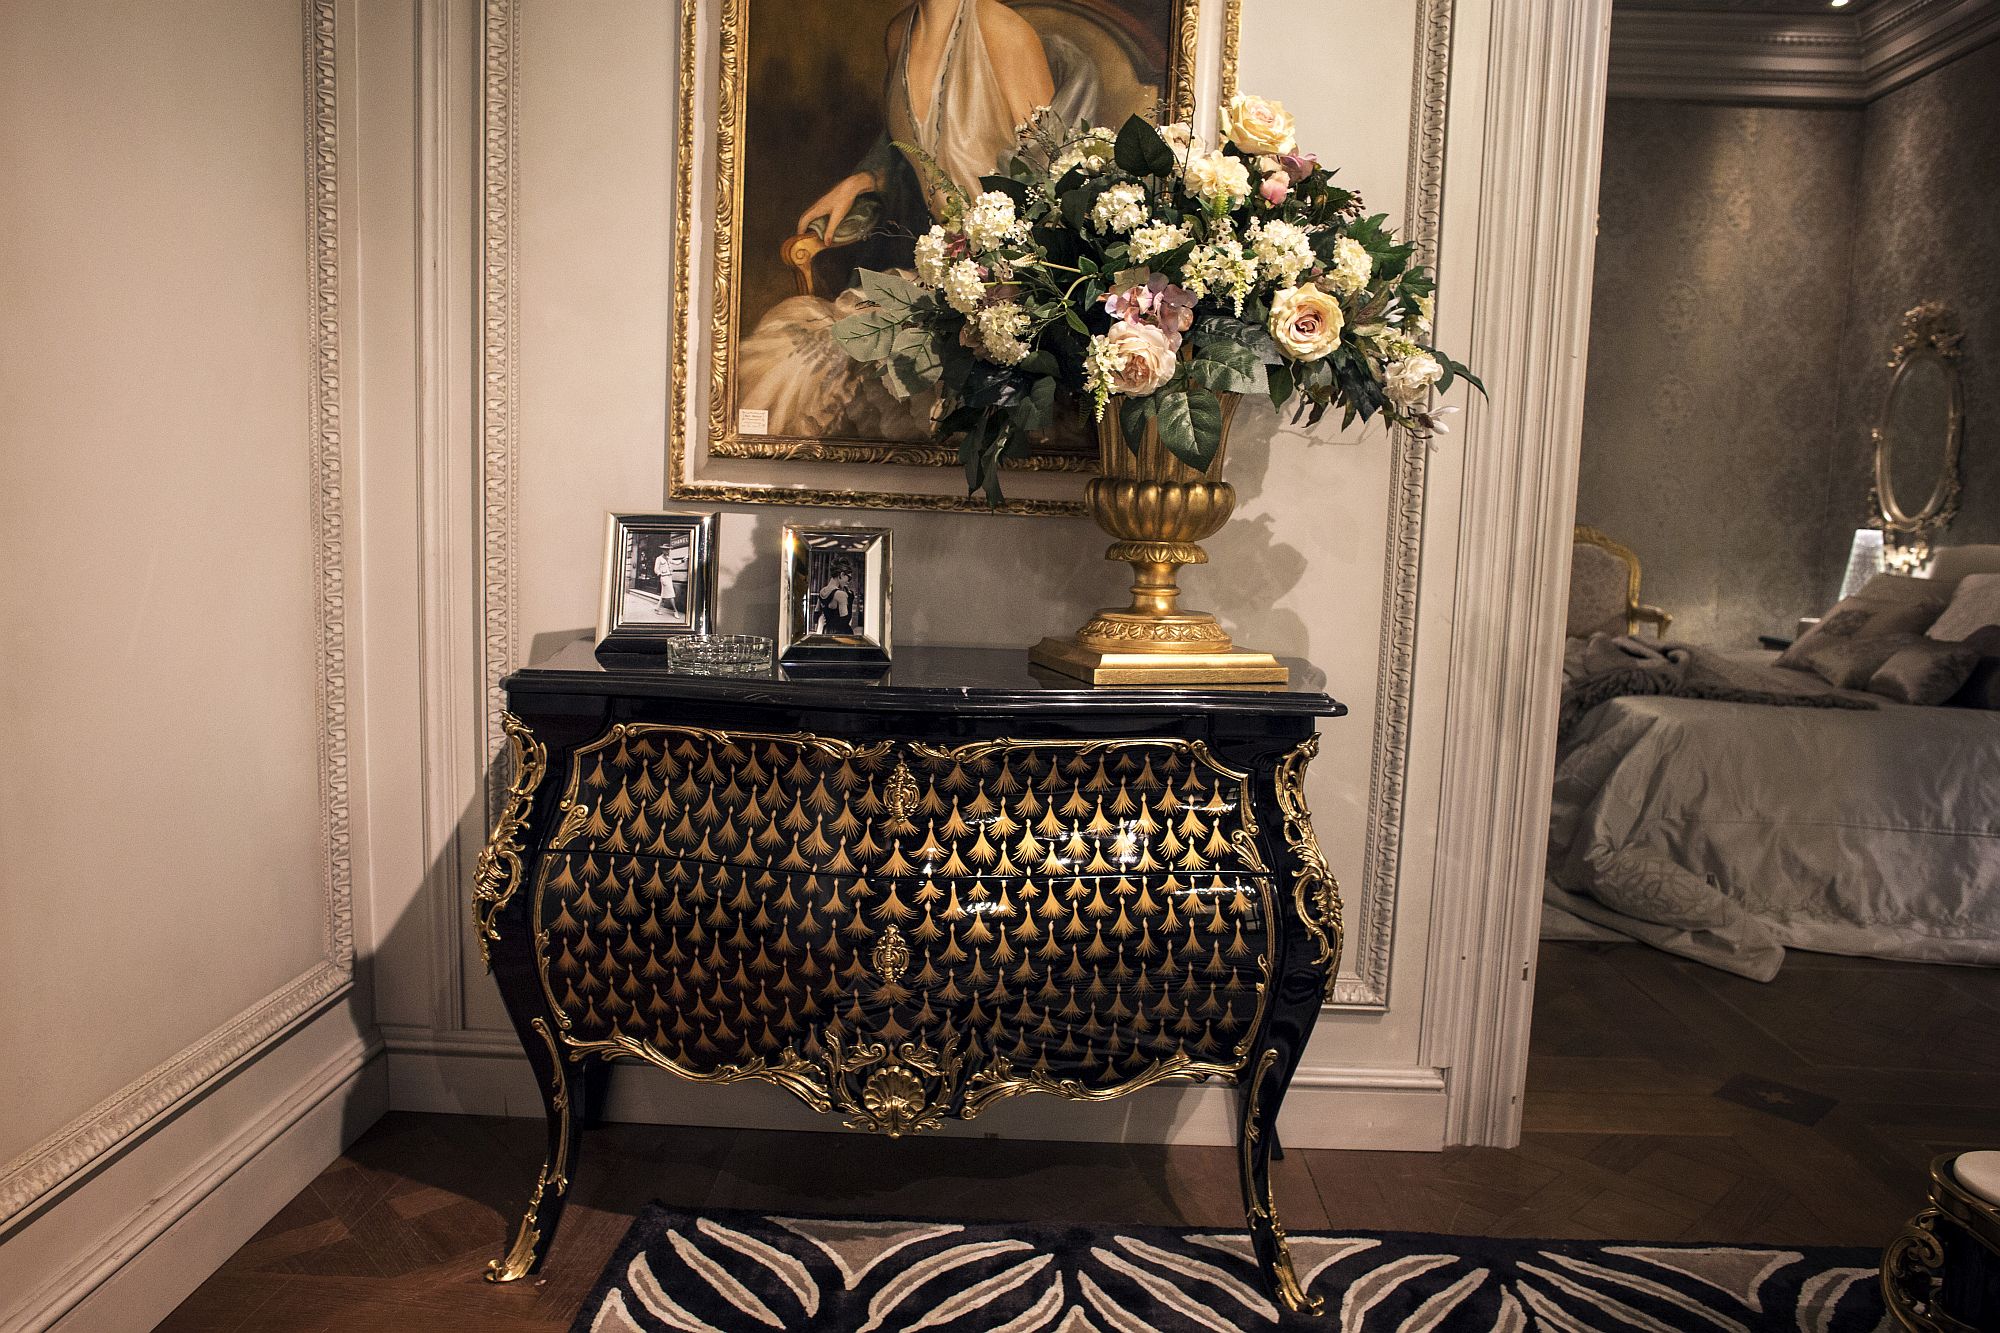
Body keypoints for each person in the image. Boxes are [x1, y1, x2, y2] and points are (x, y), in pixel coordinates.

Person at [735, 0, 1062, 441]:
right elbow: (910, 151)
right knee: (787, 361)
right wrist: (866, 179)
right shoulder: (900, 32)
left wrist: (997, 280)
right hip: (934, 274)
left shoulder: (1003, 31)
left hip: (1009, 288)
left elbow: (1056, 178)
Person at [815, 569, 856, 636]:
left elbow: (816, 613)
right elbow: (845, 622)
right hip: (840, 634)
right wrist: (850, 600)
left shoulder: (822, 591)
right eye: (849, 578)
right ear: (842, 575)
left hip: (826, 631)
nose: (848, 582)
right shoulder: (841, 594)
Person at [652, 540, 686, 618]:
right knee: (671, 595)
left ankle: (657, 608)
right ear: (662, 550)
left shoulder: (668, 558)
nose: (667, 551)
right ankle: (675, 611)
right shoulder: (659, 558)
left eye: (668, 549)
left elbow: (675, 563)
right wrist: (660, 574)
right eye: (666, 549)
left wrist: (683, 560)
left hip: (669, 578)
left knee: (663, 595)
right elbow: (656, 569)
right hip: (664, 578)